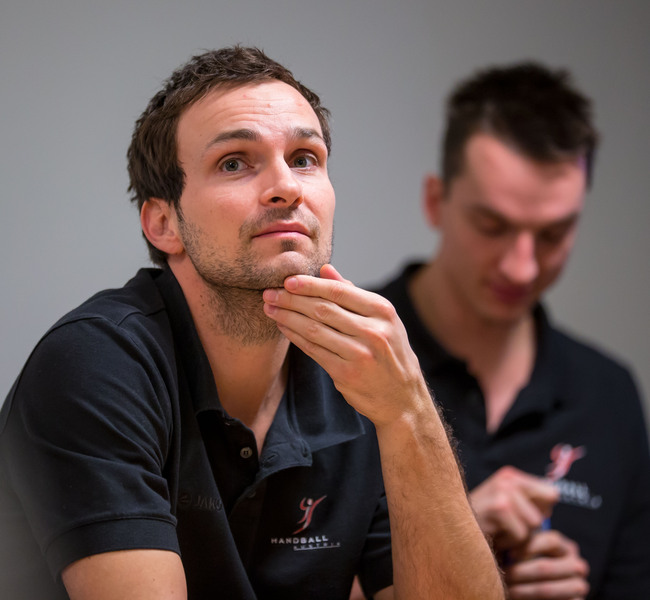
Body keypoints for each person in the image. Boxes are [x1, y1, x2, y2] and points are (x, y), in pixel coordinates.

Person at [0, 46, 504, 600]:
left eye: (305, 158)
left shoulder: (364, 378)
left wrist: (409, 413)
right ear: (164, 223)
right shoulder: (95, 365)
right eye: (234, 163)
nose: (287, 186)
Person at [375, 62, 650, 599]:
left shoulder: (609, 395)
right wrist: (455, 539)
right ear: (435, 202)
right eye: (492, 226)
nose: (521, 268)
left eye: (552, 234)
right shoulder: (337, 355)